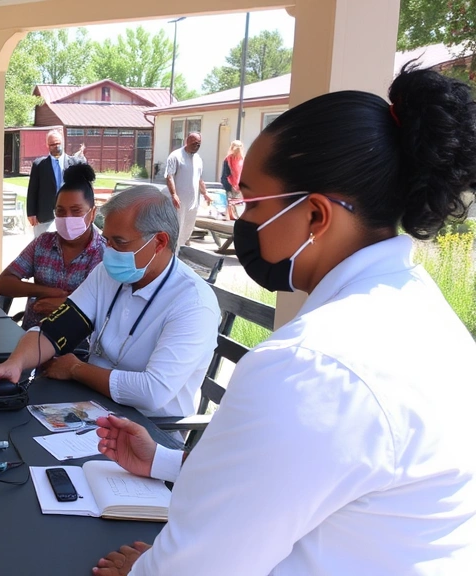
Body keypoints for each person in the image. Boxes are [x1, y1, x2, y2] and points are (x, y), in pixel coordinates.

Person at [92, 66, 476, 576]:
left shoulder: (313, 365)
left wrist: (145, 570)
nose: (240, 218)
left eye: (249, 201)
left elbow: (201, 567)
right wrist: (161, 463)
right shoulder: (423, 313)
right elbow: (296, 478)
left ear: (316, 216)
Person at [0, 185, 219, 420]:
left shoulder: (193, 303)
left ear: (158, 242)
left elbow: (152, 392)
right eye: (107, 240)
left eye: (120, 242)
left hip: (148, 429)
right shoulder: (107, 275)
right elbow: (54, 331)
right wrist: (15, 363)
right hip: (92, 407)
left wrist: (76, 369)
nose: (109, 252)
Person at [0, 163, 106, 330]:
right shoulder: (43, 244)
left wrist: (64, 307)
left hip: (79, 349)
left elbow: (106, 307)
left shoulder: (104, 253)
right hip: (31, 338)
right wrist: (47, 292)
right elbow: (3, 283)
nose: (67, 218)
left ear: (92, 213)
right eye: (60, 211)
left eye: (76, 211)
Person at [27, 129, 84, 236]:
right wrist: (31, 213)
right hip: (45, 214)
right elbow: (32, 190)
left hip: (70, 214)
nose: (56, 146)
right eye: (52, 144)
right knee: (43, 248)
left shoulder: (76, 164)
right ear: (47, 145)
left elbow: (84, 189)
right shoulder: (39, 165)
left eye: (58, 143)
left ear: (63, 142)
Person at [164, 133, 210, 246]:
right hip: (179, 202)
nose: (196, 146)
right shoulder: (175, 156)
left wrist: (205, 193)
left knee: (188, 229)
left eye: (199, 144)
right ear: (187, 141)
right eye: (194, 143)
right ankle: (172, 252)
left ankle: (182, 250)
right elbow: (169, 176)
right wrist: (174, 194)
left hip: (193, 202)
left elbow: (199, 178)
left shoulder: (198, 159)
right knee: (177, 228)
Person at [220, 140, 244, 220]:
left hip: (239, 187)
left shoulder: (242, 160)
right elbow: (226, 174)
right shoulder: (228, 160)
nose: (238, 149)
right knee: (230, 202)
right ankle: (229, 216)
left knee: (238, 204)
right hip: (229, 185)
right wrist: (231, 185)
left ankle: (235, 216)